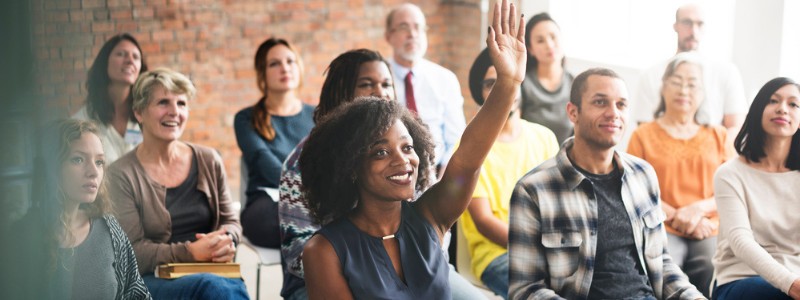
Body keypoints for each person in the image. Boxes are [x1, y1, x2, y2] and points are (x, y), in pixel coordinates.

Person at [300, 1, 525, 298]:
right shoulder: (325, 250)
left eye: (407, 147)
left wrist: (507, 83)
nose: (403, 161)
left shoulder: (431, 215)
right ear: (350, 166)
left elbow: (467, 162)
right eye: (381, 152)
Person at [280, 49, 485, 300]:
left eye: (387, 84)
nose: (381, 92)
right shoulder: (305, 163)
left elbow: (465, 165)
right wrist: (369, 270)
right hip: (333, 273)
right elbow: (298, 250)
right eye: (367, 84)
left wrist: (420, 260)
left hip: (416, 267)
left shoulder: (412, 162)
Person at [509, 68, 704, 299]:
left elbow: (661, 262)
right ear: (573, 112)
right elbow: (525, 290)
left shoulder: (643, 175)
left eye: (621, 105)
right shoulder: (533, 190)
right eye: (600, 102)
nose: (613, 113)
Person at [107, 68, 248, 299]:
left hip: (212, 271)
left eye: (181, 103)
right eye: (163, 102)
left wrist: (226, 240)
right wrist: (190, 252)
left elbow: (230, 220)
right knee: (218, 288)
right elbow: (132, 251)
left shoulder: (209, 159)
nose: (174, 112)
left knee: (222, 286)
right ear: (139, 112)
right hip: (152, 280)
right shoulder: (120, 174)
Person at [627, 53, 733, 297]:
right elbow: (634, 189)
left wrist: (696, 213)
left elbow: (731, 190)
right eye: (676, 81)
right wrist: (678, 216)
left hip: (708, 226)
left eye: (692, 84)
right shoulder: (643, 135)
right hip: (660, 224)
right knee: (665, 268)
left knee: (711, 264)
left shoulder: (719, 135)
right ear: (663, 87)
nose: (684, 89)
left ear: (703, 92)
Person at [9, 119, 151, 300]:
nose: (93, 172)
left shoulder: (109, 229)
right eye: (78, 159)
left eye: (99, 162)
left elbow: (137, 294)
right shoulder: (20, 237)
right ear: (52, 167)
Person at [460, 48, 559, 299]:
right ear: (479, 93)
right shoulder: (470, 148)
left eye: (507, 81)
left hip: (550, 249)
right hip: (497, 256)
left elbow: (560, 202)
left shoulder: (544, 137)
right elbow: (483, 221)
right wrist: (537, 248)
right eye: (491, 83)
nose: (501, 90)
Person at [712, 77, 800, 300]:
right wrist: (791, 284)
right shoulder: (730, 174)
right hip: (740, 279)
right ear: (758, 110)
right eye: (773, 101)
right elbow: (741, 242)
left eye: (793, 104)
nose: (782, 109)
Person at [235, 37, 314, 248]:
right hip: (267, 204)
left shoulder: (317, 115)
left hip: (313, 201)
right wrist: (304, 191)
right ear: (262, 73)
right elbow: (264, 161)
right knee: (296, 220)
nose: (284, 68)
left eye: (290, 61)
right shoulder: (246, 118)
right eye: (274, 63)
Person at [633, 4, 747, 144]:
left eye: (700, 24)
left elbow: (736, 127)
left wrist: (705, 156)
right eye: (687, 22)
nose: (693, 30)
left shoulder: (727, 72)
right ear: (675, 26)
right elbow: (644, 131)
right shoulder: (650, 75)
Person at [384, 2, 466, 169]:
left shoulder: (445, 79)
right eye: (403, 27)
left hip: (436, 174)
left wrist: (444, 179)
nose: (412, 34)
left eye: (418, 27)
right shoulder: (379, 78)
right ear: (389, 36)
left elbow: (457, 139)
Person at [73, 33, 148, 164]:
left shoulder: (148, 116)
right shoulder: (81, 122)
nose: (130, 60)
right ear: (104, 62)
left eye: (135, 57)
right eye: (121, 54)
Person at [520, 12, 574, 144]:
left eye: (553, 37)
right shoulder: (522, 84)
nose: (549, 45)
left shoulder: (575, 84)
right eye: (540, 41)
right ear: (530, 49)